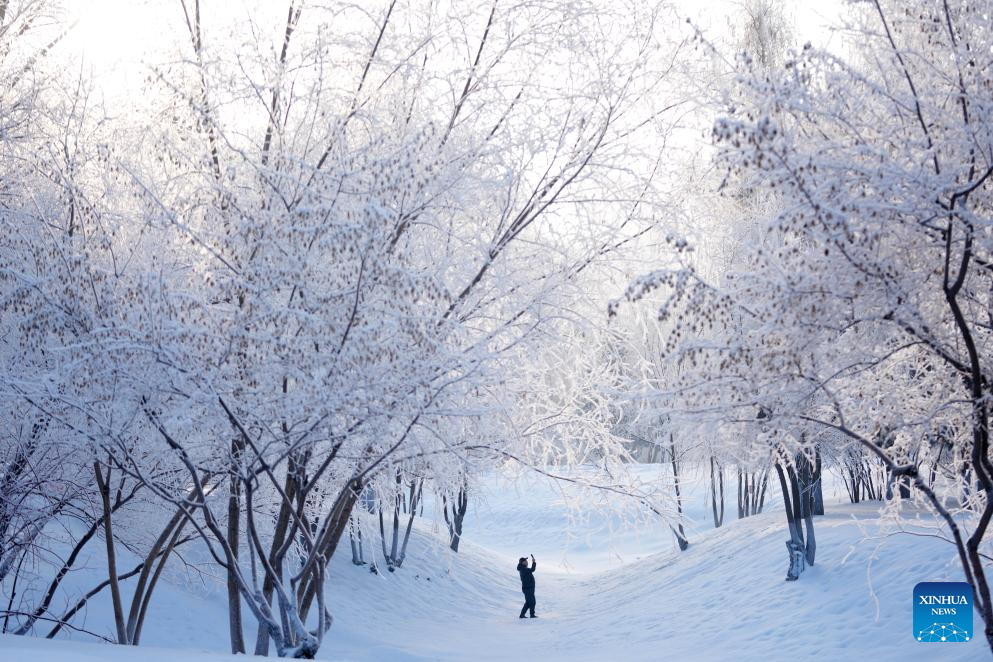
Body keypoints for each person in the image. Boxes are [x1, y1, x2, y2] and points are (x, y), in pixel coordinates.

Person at [517, 554, 537, 618]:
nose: (527, 562)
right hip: (528, 588)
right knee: (532, 602)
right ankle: (532, 614)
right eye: (525, 561)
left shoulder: (523, 568)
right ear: (522, 562)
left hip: (528, 588)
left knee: (528, 602)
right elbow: (532, 569)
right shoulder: (523, 569)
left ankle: (522, 615)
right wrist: (533, 562)